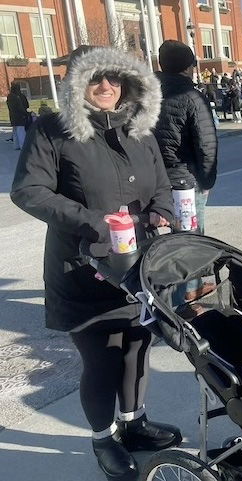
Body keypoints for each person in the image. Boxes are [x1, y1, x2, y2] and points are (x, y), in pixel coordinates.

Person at [11, 45, 179, 481]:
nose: (106, 86)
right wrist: (94, 222)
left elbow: (161, 181)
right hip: (84, 268)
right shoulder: (53, 130)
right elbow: (29, 190)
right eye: (95, 78)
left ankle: (134, 422)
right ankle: (104, 438)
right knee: (102, 358)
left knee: (137, 349)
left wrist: (163, 207)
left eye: (114, 78)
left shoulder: (139, 128)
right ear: (75, 83)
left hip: (138, 264)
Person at [154, 40, 219, 309]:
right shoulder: (192, 97)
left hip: (157, 179)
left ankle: (194, 285)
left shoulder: (147, 96)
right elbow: (206, 144)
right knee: (191, 238)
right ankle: (187, 297)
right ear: (190, 67)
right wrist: (208, 180)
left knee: (168, 239)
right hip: (185, 180)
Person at [7, 83, 30, 150]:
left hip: (12, 116)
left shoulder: (9, 97)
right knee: (21, 131)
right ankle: (22, 146)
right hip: (20, 116)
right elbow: (22, 107)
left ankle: (16, 145)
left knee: (15, 131)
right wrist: (26, 113)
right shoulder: (18, 97)